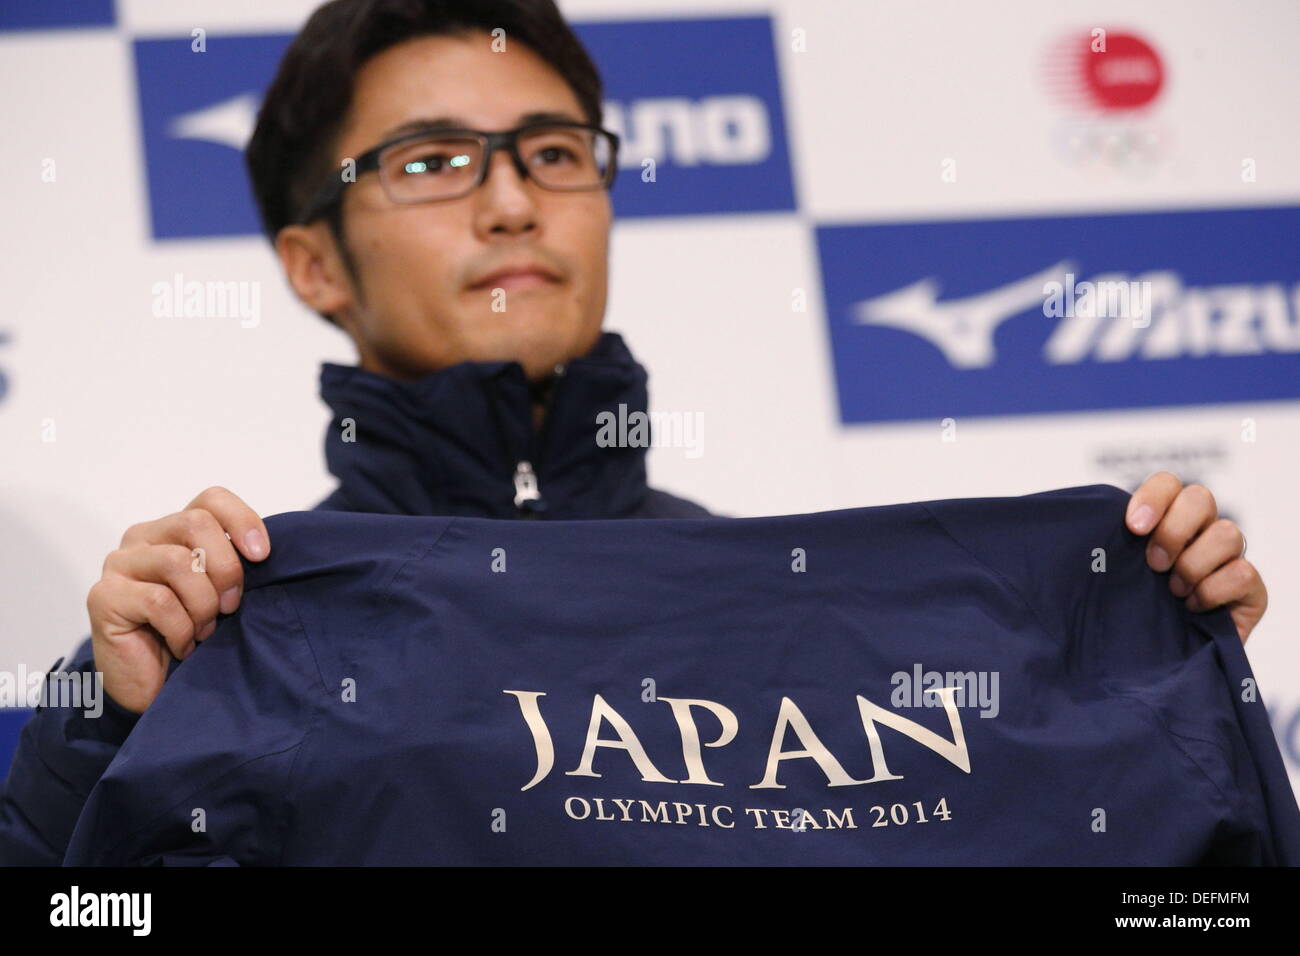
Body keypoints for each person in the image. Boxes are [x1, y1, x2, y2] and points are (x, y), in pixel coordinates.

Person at [0, 0, 1268, 866]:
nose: (510, 200)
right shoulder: (208, 621)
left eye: (553, 152)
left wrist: (1145, 668)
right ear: (312, 262)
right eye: (433, 161)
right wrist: (109, 731)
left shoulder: (811, 616)